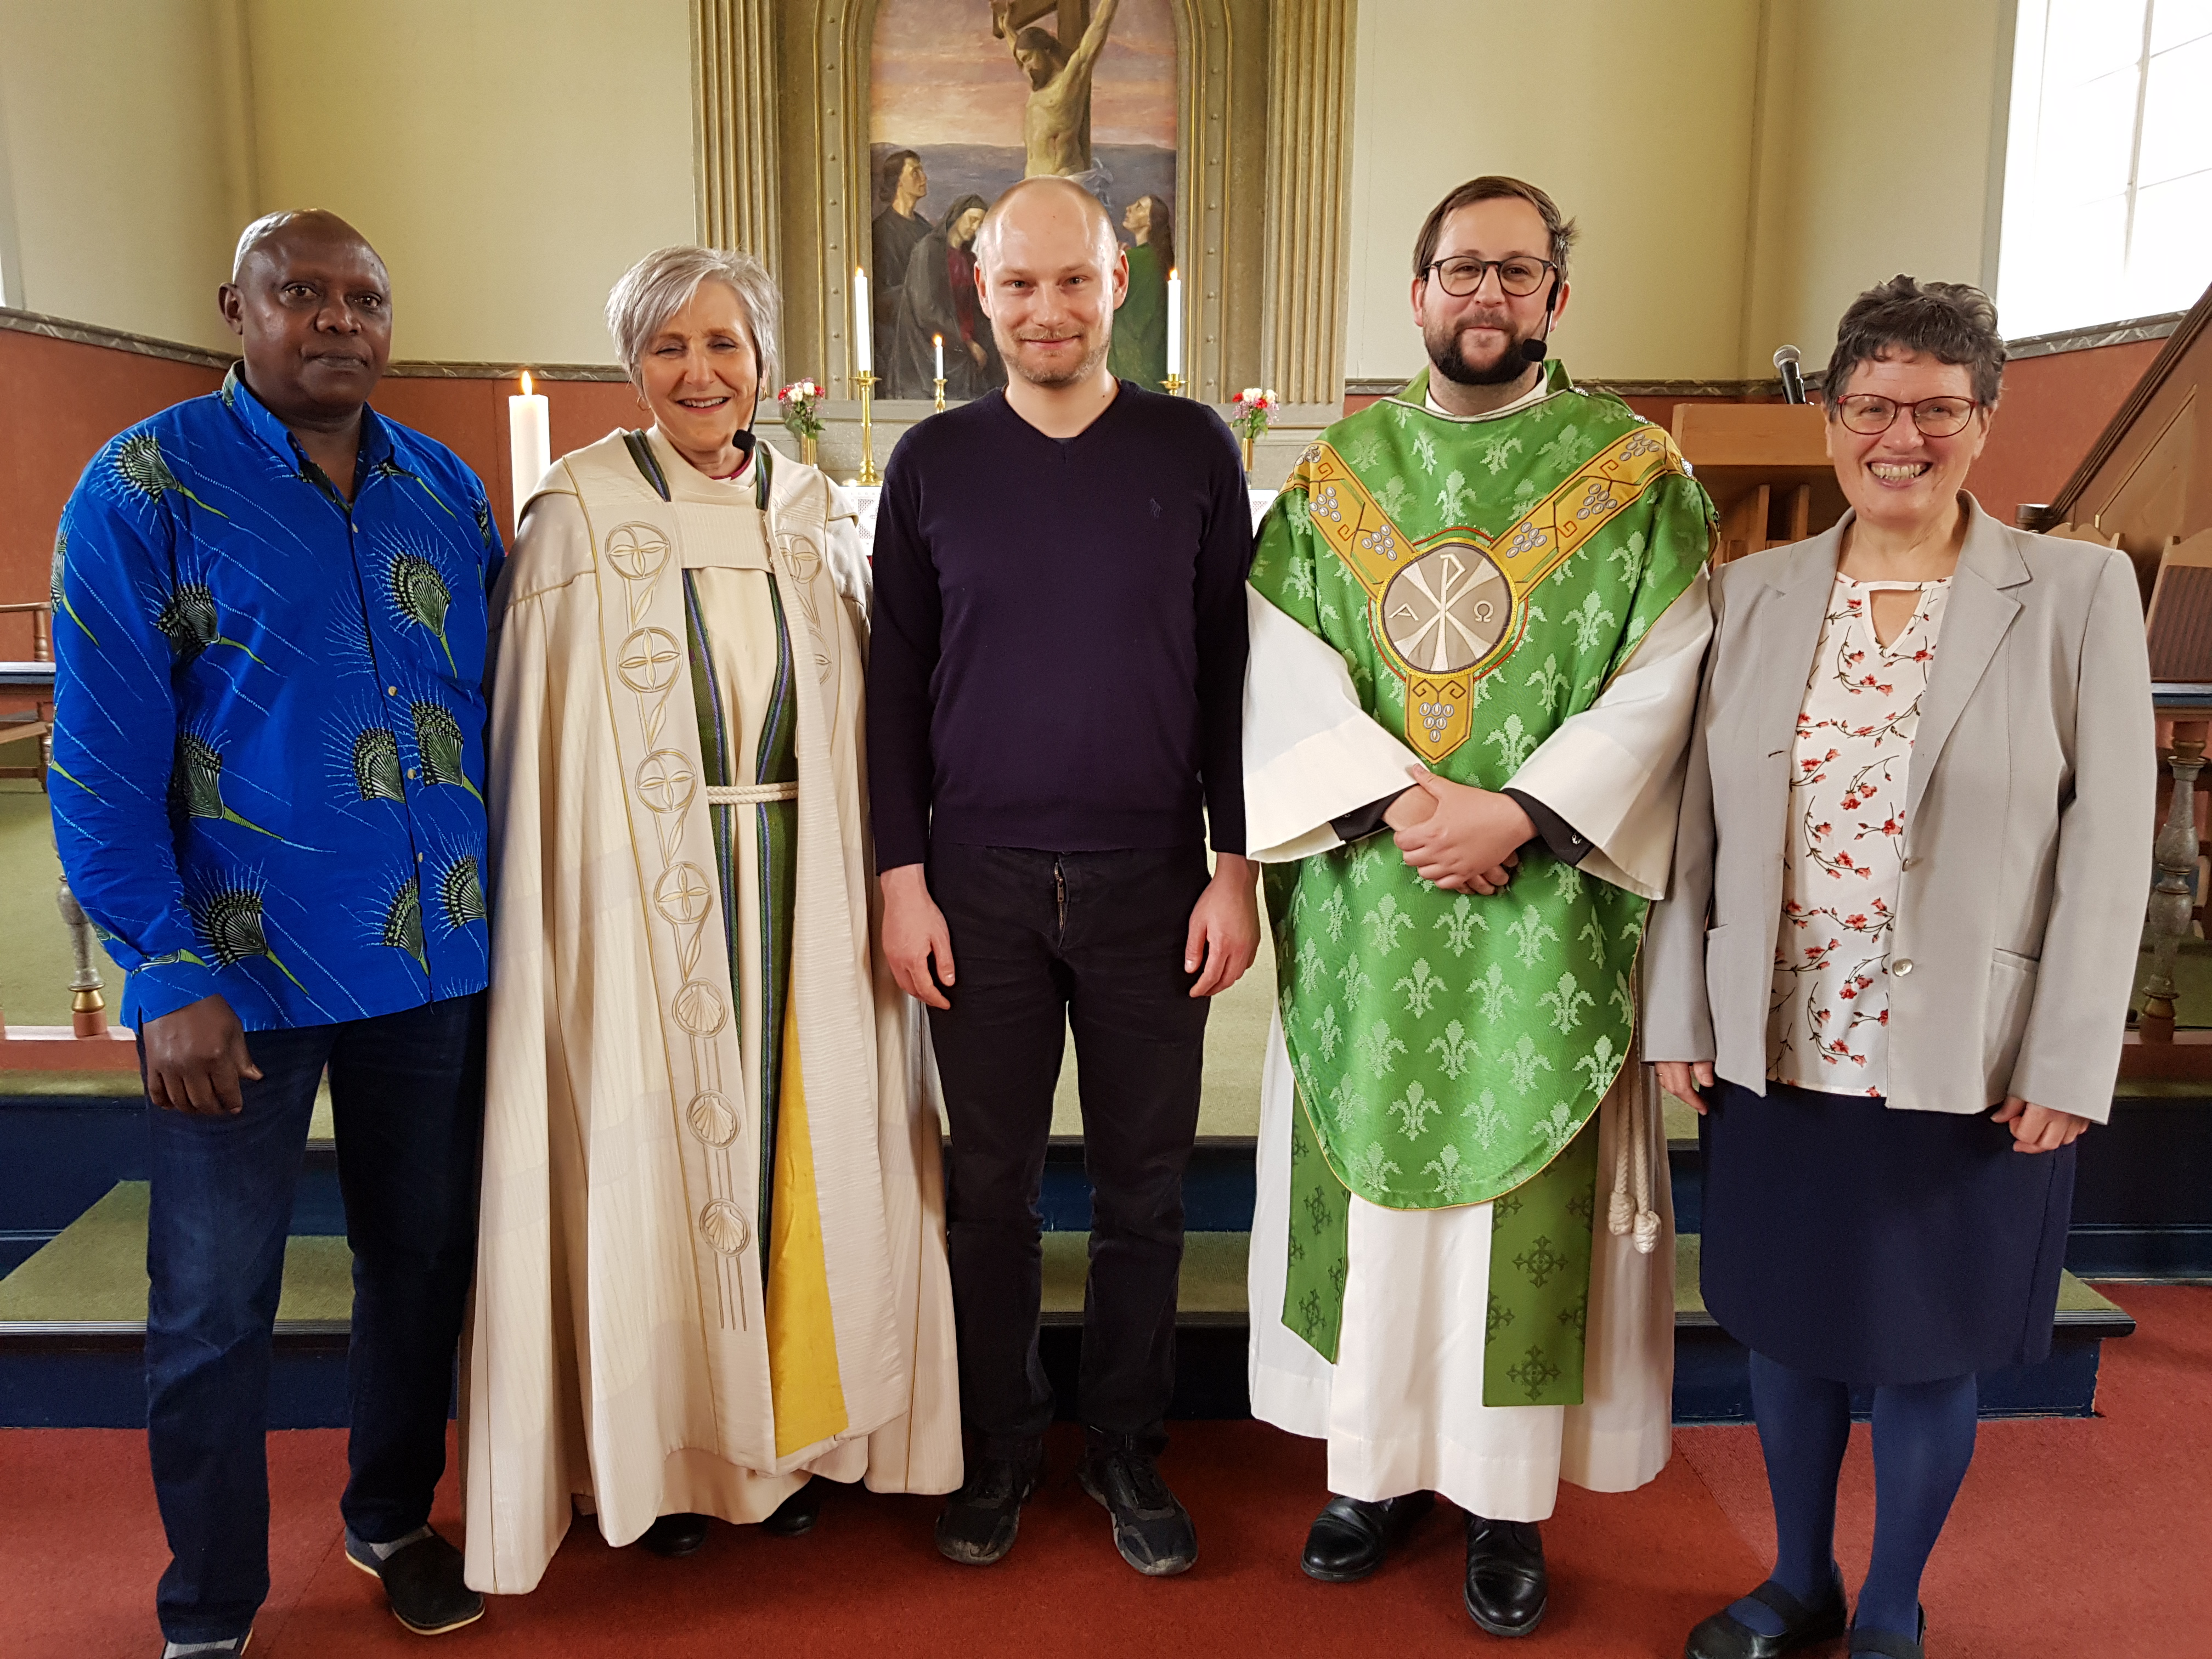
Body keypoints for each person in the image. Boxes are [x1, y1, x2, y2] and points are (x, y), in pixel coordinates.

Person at [1647, 277, 2154, 1659]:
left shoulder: (2073, 594)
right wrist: (1677, 1009)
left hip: (1968, 1054)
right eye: (1873, 405)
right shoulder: (1750, 593)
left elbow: (2112, 841)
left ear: (1984, 423)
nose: (1902, 436)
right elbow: (1691, 818)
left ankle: (1889, 1603)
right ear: (1832, 420)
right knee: (1789, 1328)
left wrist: (2069, 1059)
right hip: (1786, 1035)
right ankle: (1797, 1578)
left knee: (1934, 1343)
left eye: (1938, 408)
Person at [1239, 176, 1717, 1637]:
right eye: (1462, 270)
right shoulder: (1338, 479)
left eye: (1518, 272)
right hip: (1376, 905)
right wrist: (1402, 808)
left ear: (1558, 297)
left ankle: (1508, 1505)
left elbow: (1672, 672)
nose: (1487, 296)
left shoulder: (1637, 474)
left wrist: (1518, 812)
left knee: (1517, 1205)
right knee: (1377, 1208)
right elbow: (1278, 661)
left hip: (1543, 911)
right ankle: (1369, 1474)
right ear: (1417, 292)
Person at [462, 245, 962, 1593]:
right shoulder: (573, 514)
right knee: (656, 1162)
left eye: (725, 344)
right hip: (640, 909)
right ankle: (669, 1455)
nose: (701, 371)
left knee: (806, 1154)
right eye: (670, 346)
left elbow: (872, 715)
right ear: (633, 364)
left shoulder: (810, 513)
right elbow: (541, 749)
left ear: (761, 362)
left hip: (806, 888)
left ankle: (794, 1444)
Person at [49, 210, 500, 1654]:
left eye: (363, 297)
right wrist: (162, 964)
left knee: (420, 1264)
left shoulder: (444, 490)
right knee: (212, 1306)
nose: (337, 321)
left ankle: (389, 1518)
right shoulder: (142, 487)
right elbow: (99, 760)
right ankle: (208, 1606)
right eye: (299, 294)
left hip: (430, 963)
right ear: (234, 306)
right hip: (230, 974)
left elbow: (497, 722)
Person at [868, 174, 1257, 1578]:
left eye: (1075, 283)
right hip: (976, 885)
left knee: (1146, 1189)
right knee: (992, 1188)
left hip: (1156, 878)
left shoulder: (1194, 448)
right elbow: (894, 687)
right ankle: (999, 1446)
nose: (1049, 310)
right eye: (1020, 285)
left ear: (1119, 286)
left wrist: (1237, 867)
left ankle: (1126, 1448)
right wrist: (901, 879)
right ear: (978, 293)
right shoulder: (931, 466)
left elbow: (1231, 675)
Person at [891, 193, 1002, 400]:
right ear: (956, 216)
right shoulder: (928, 250)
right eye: (972, 219)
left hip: (968, 350)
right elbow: (926, 309)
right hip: (935, 349)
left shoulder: (970, 258)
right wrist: (967, 342)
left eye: (980, 223)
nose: (975, 227)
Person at [871, 149, 934, 377]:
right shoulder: (881, 231)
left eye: (922, 170)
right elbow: (881, 296)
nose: (924, 177)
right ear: (897, 181)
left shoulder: (926, 231)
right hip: (897, 335)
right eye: (915, 172)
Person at [1107, 194, 1172, 392]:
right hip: (1152, 361)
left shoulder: (1135, 260)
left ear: (1151, 222)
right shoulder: (1157, 258)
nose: (1129, 208)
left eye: (1139, 207)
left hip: (1125, 360)